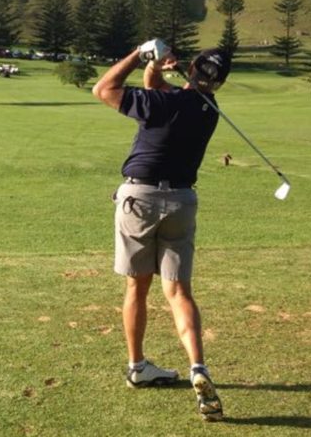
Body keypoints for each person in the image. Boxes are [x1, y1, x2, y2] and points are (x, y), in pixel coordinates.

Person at [91, 39, 231, 422]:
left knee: (137, 286)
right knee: (178, 291)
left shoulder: (162, 104)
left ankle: (137, 367)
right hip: (181, 202)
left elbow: (102, 90)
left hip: (139, 198)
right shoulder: (209, 109)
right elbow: (159, 92)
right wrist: (155, 68)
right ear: (217, 83)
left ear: (191, 69)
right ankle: (198, 368)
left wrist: (139, 54)